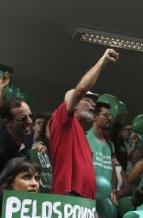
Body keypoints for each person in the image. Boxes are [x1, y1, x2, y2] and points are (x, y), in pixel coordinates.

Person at [50, 48, 118, 199]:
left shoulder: (80, 131)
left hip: (83, 202)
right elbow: (81, 90)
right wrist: (103, 61)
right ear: (72, 103)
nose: (93, 105)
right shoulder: (62, 120)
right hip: (67, 196)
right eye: (88, 100)